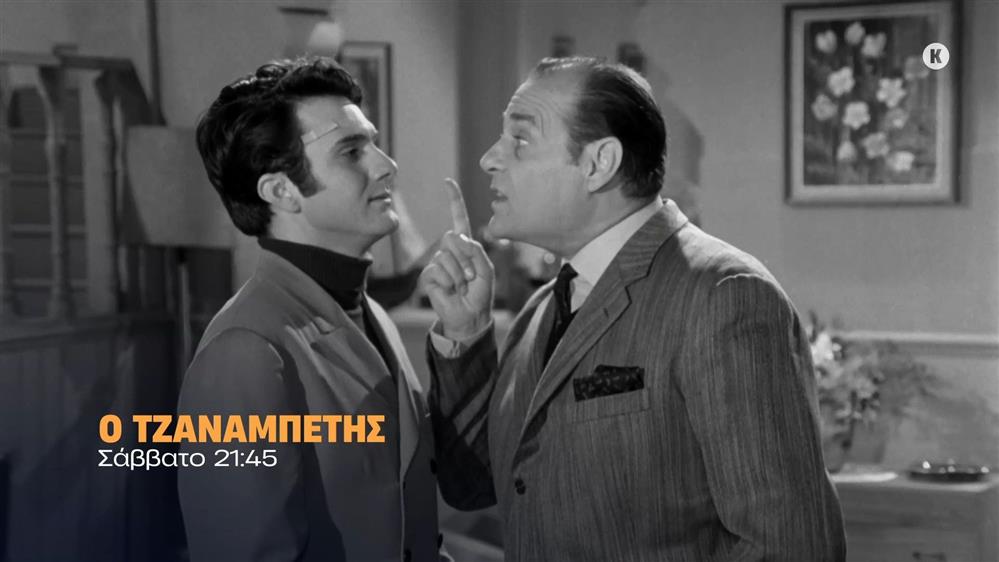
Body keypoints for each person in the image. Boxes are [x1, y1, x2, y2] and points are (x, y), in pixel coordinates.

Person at [420, 57, 846, 561]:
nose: (490, 159)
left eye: (520, 139)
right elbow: (473, 487)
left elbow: (792, 545)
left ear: (598, 163)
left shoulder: (723, 295)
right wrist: (466, 331)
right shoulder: (538, 312)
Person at [177, 56, 447, 562]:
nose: (386, 165)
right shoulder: (245, 351)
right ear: (281, 191)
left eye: (374, 144)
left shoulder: (371, 315)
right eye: (352, 151)